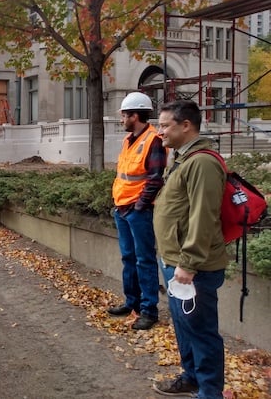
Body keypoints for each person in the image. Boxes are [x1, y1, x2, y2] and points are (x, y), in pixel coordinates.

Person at [152, 100, 227, 398]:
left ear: (186, 125)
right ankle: (192, 378)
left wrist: (189, 263)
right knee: (185, 327)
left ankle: (210, 392)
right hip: (174, 260)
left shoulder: (202, 163)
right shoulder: (183, 158)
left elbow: (203, 216)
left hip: (193, 267)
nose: (160, 132)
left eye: (165, 125)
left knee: (201, 330)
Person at [109, 92, 166, 330]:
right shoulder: (128, 139)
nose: (121, 119)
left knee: (144, 260)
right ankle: (131, 303)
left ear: (135, 115)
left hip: (137, 211)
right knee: (128, 258)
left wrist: (139, 206)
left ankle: (149, 310)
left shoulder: (154, 140)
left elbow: (155, 179)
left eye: (124, 115)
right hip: (123, 208)